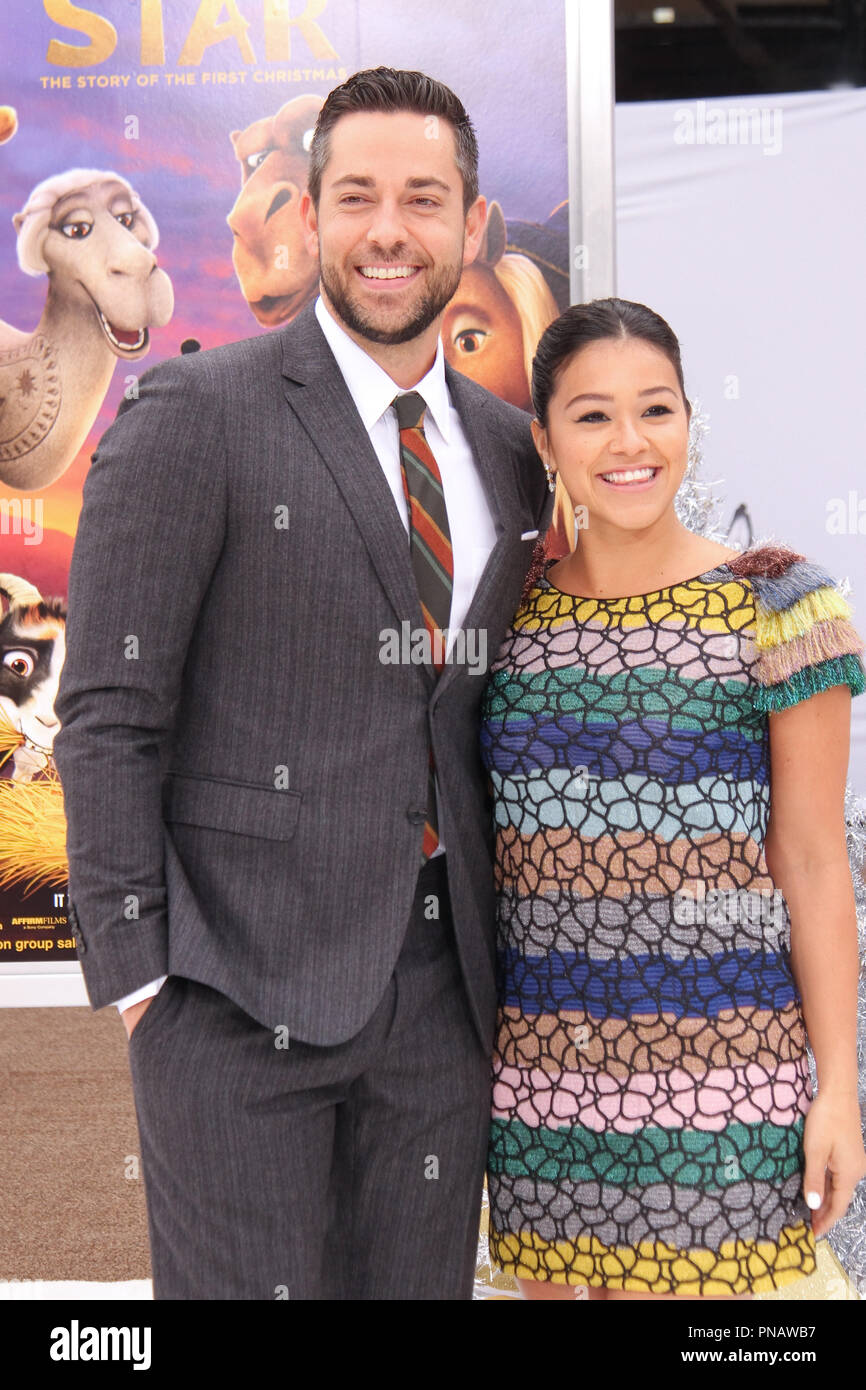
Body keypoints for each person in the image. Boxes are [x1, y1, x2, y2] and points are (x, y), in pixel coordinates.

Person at [52, 66, 552, 1300]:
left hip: (443, 1004)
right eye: (359, 196)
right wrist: (139, 980)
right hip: (230, 997)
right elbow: (109, 708)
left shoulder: (508, 448)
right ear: (314, 215)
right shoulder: (196, 412)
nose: (390, 230)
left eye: (423, 199)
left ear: (470, 225)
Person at [479, 297, 866, 1300]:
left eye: (654, 409)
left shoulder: (777, 600)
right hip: (542, 1084)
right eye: (591, 415)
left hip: (726, 1077)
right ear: (545, 439)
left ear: (689, 419)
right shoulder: (505, 616)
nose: (629, 442)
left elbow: (815, 861)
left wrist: (838, 1093)